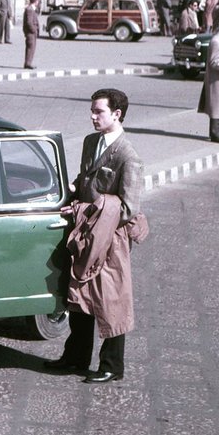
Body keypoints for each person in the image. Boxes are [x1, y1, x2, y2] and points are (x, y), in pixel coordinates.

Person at [50, 88, 145, 384]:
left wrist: (88, 210)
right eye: (92, 111)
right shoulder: (92, 142)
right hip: (85, 234)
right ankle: (76, 358)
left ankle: (112, 366)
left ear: (117, 114)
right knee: (79, 294)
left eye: (98, 112)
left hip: (110, 239)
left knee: (111, 299)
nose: (92, 117)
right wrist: (73, 190)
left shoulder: (128, 156)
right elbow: (84, 179)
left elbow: (128, 208)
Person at [22, 0, 40, 69]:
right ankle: (28, 64)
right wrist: (33, 30)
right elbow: (29, 22)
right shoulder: (29, 9)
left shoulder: (32, 9)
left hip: (32, 32)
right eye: (38, 1)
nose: (38, 2)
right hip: (30, 32)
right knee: (30, 48)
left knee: (32, 48)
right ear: (35, 1)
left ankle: (28, 63)